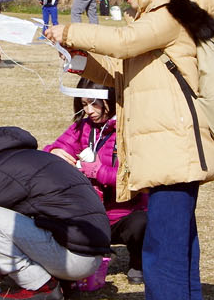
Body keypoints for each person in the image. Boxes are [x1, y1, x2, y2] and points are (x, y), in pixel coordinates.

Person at [45, 0, 214, 300]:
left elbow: (124, 43)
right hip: (166, 148)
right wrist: (78, 58)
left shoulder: (171, 10)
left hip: (172, 148)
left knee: (163, 242)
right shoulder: (154, 18)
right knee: (177, 241)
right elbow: (120, 72)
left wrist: (67, 28)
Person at [0, 127, 111, 300]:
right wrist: (7, 258)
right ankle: (59, 282)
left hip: (74, 258)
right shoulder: (32, 160)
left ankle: (41, 287)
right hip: (88, 255)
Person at [44, 85, 143, 289]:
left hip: (124, 214)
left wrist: (98, 171)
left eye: (94, 104)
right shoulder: (83, 127)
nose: (89, 110)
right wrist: (53, 152)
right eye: (84, 104)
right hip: (89, 214)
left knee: (143, 222)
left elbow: (139, 178)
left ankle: (139, 262)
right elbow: (56, 147)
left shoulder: (131, 130)